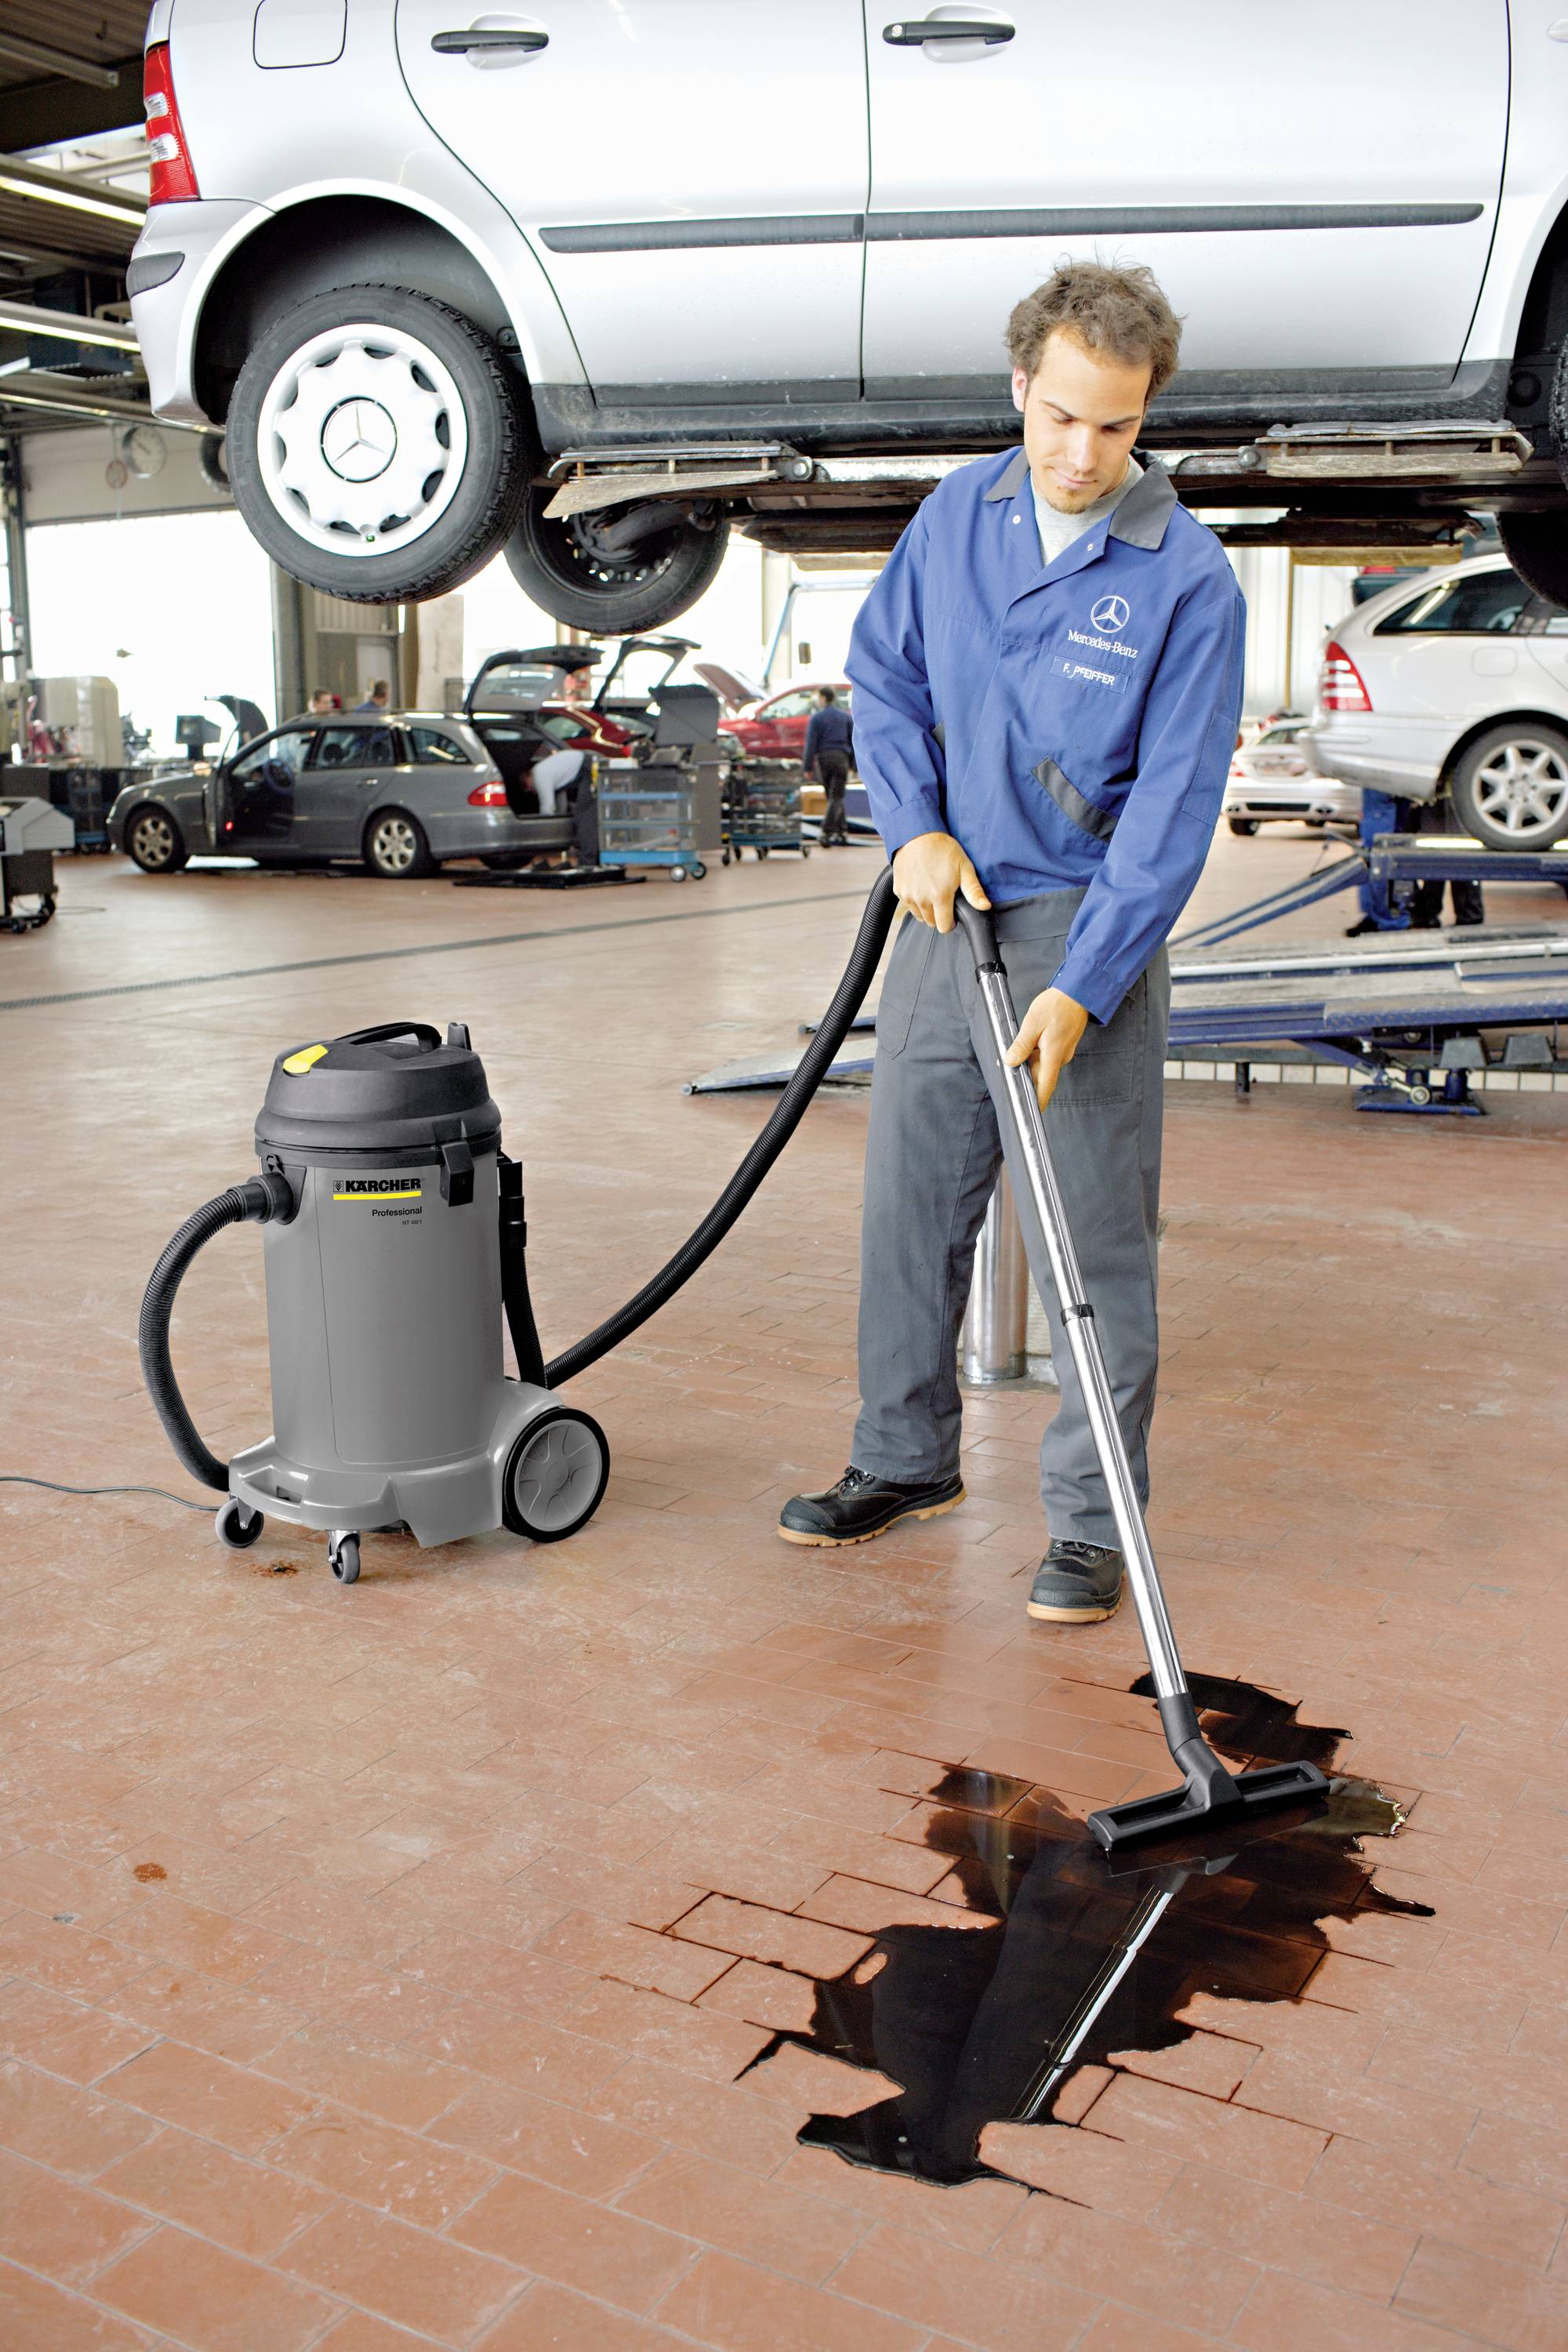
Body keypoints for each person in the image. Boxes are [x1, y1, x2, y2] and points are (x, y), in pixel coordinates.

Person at [778, 263, 1246, 1631]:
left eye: (1113, 426)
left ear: (1146, 412)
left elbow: (1171, 815)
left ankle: (1094, 1526)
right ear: (1021, 389)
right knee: (911, 1202)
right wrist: (909, 826)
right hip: (944, 903)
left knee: (1092, 1240)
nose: (1080, 453)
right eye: (1058, 417)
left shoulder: (1188, 579)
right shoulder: (957, 516)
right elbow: (888, 676)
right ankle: (903, 1459)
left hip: (1078, 923)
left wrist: (1088, 988)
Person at [804, 686, 853, 845]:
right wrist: (854, 765)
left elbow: (811, 744)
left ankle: (826, 832)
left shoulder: (817, 718)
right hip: (842, 759)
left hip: (824, 759)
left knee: (833, 796)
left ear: (824, 698)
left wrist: (807, 767)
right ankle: (842, 830)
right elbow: (854, 742)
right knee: (836, 796)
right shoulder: (845, 717)